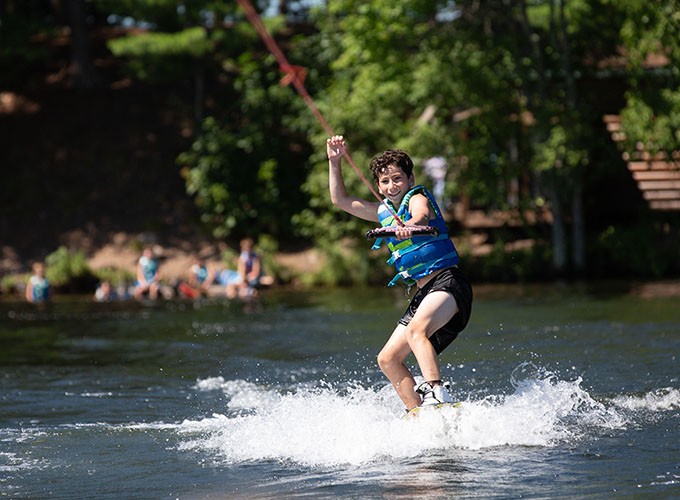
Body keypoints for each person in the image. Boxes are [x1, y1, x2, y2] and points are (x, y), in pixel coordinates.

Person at [326, 135, 473, 413]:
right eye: (385, 181)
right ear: (379, 185)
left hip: (448, 284)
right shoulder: (383, 211)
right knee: (388, 358)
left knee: (418, 332)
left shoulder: (417, 197)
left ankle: (437, 396)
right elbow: (340, 200)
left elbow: (422, 215)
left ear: (410, 178)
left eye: (397, 179)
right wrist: (335, 162)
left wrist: (410, 225)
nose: (392, 186)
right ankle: (416, 414)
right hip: (424, 293)